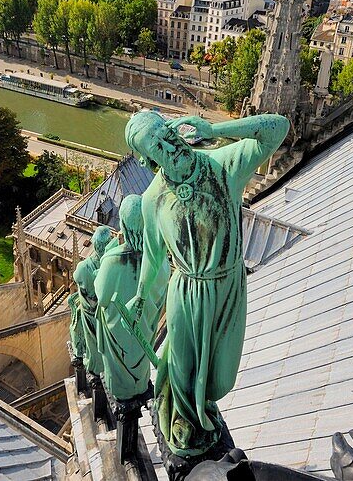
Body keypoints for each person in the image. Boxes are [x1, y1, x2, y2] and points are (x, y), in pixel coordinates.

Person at [125, 110, 289, 473]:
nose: (171, 144)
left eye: (167, 132)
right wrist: (140, 295)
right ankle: (184, 427)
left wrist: (214, 129)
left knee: (221, 381)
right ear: (148, 159)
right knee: (183, 380)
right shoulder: (152, 200)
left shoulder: (220, 166)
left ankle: (187, 398)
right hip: (185, 292)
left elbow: (278, 130)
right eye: (158, 144)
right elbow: (154, 262)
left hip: (228, 287)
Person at [94, 194, 168, 467]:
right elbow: (160, 300)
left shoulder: (114, 260)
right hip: (144, 335)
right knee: (139, 374)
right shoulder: (160, 259)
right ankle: (137, 385)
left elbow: (100, 298)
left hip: (118, 339)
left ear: (123, 225)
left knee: (122, 388)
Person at [73, 226, 115, 420]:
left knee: (92, 348)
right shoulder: (110, 268)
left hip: (88, 315)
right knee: (103, 348)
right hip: (104, 317)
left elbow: (77, 279)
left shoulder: (83, 267)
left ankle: (94, 370)